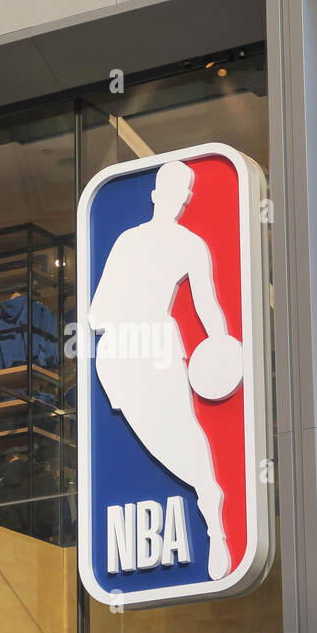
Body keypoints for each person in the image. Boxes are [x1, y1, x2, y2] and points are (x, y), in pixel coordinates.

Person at [88, 160, 240, 580]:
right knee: (158, 436)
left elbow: (207, 305)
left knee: (184, 428)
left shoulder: (192, 245)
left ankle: (213, 513)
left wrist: (221, 346)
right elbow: (97, 312)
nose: (182, 200)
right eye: (174, 191)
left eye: (186, 193)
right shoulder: (127, 241)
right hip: (122, 351)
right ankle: (205, 491)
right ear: (156, 195)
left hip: (156, 342)